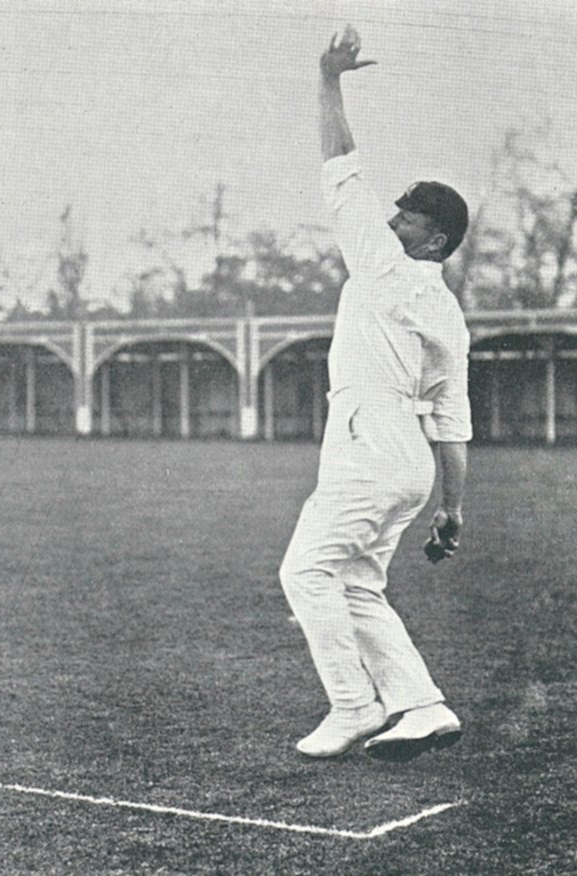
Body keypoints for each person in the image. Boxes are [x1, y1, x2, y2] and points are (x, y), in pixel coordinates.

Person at [279, 25, 472, 760]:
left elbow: (340, 171)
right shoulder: (448, 313)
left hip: (369, 440)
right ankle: (422, 706)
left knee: (305, 571)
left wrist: (328, 80)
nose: (389, 226)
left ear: (432, 242)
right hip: (411, 462)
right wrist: (451, 509)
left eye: (406, 221)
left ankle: (354, 705)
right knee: (356, 585)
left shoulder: (386, 270)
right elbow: (453, 422)